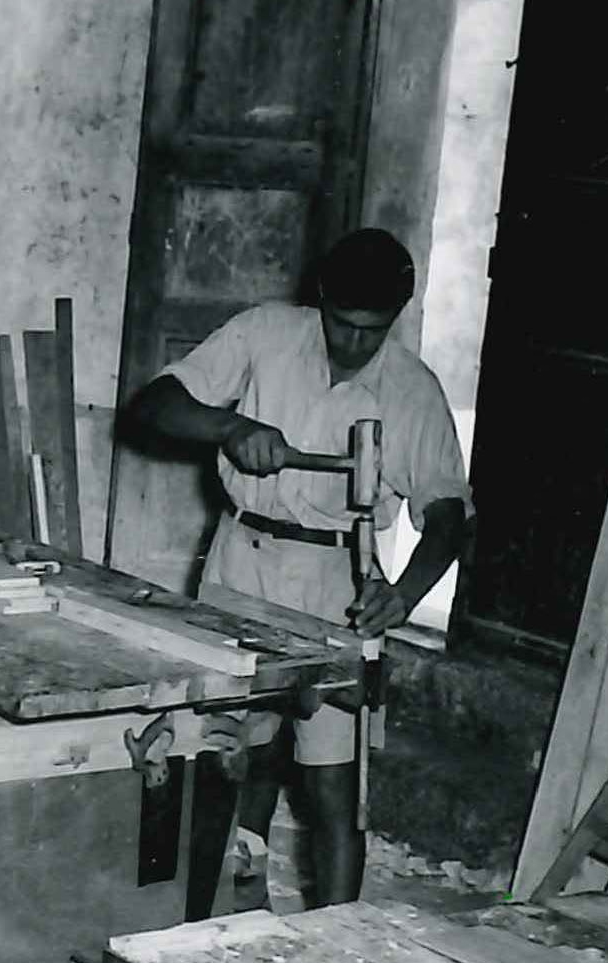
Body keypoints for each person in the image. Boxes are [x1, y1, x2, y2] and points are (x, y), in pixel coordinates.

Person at [126, 227, 471, 908]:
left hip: (335, 584)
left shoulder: (411, 391)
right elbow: (153, 405)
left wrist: (400, 597)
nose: (350, 343)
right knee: (220, 756)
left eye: (369, 332)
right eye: (340, 324)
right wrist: (227, 429)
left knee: (333, 787)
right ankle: (207, 914)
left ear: (395, 317)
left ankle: (334, 940)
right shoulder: (263, 334)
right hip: (241, 560)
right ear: (320, 298)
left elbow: (449, 516)